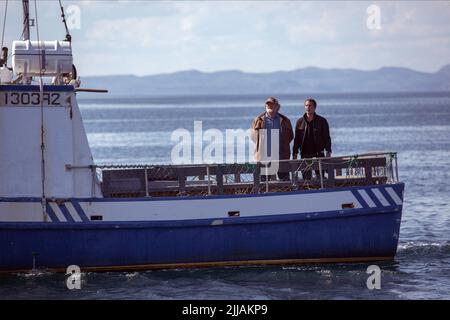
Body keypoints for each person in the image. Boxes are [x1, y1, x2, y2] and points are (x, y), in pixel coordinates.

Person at [251, 97, 293, 180]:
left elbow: (290, 136)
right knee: (263, 182)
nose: (270, 106)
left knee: (284, 181)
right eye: (268, 104)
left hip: (281, 156)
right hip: (264, 157)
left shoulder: (285, 120)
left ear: (278, 107)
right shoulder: (258, 120)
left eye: (272, 104)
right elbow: (253, 137)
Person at [292, 98, 332, 180]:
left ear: (314, 107)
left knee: (320, 177)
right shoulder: (299, 122)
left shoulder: (322, 121)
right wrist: (295, 153)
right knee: (306, 179)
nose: (308, 107)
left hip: (318, 154)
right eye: (306, 105)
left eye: (310, 105)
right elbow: (297, 139)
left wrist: (328, 151)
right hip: (305, 154)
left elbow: (327, 137)